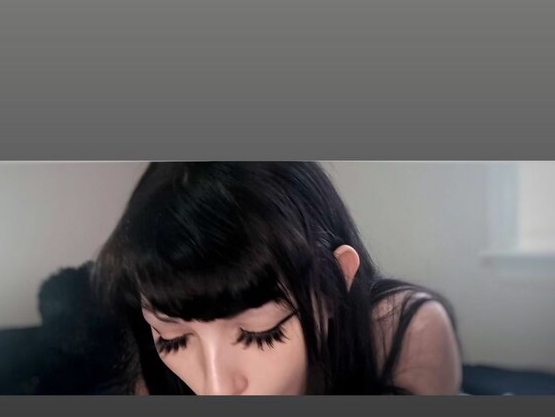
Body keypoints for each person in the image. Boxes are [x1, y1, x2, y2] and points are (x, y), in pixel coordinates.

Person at [93, 162, 463, 395]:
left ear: (334, 284)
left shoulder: (406, 330)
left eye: (260, 334)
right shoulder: (155, 375)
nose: (216, 389)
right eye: (173, 340)